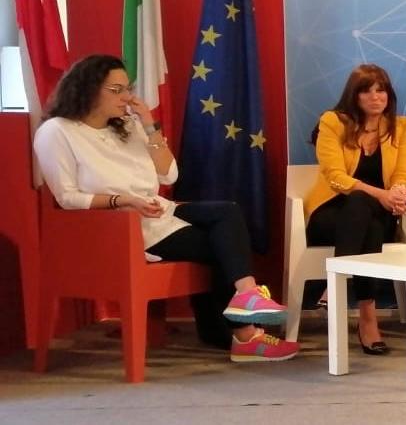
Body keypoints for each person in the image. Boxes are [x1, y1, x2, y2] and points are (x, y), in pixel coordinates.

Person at [33, 54, 299, 362]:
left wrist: (149, 126)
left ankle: (245, 298)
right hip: (114, 226)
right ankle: (243, 332)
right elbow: (67, 197)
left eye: (128, 89)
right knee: (222, 244)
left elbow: (169, 175)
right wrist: (123, 200)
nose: (126, 97)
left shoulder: (127, 126)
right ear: (88, 89)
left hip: (155, 211)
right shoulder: (57, 131)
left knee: (228, 212)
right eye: (116, 90)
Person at [305, 64, 406, 356]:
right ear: (354, 96)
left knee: (371, 221)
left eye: (381, 90)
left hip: (377, 215)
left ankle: (336, 286)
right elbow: (335, 177)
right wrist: (382, 194)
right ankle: (368, 318)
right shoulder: (332, 122)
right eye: (366, 91)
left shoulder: (401, 127)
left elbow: (402, 173)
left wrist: (398, 190)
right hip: (331, 214)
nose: (375, 97)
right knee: (359, 202)